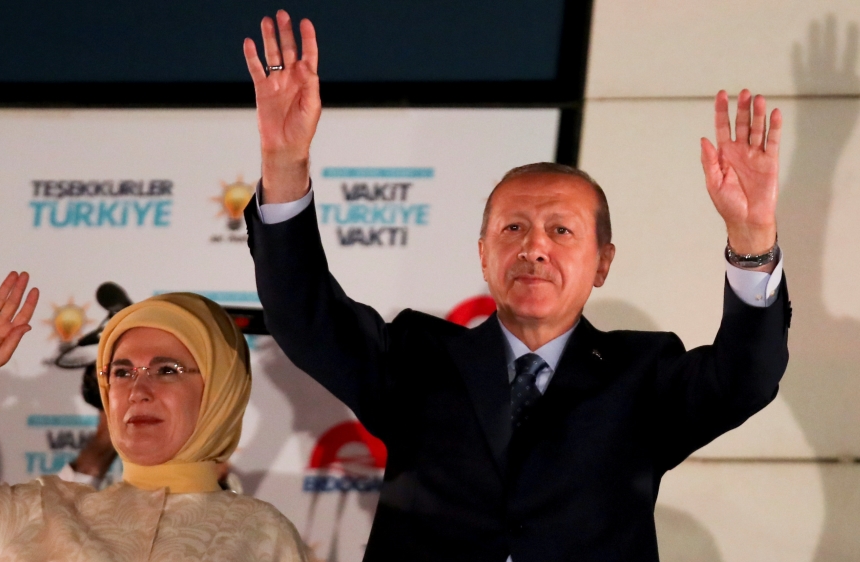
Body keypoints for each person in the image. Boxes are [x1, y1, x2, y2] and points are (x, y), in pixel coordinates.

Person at [242, 11, 790, 562]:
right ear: (484, 255)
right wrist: (285, 163)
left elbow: (747, 377)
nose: (534, 247)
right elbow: (301, 311)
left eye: (561, 230)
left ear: (602, 263)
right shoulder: (416, 359)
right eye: (513, 228)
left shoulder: (643, 375)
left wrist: (751, 235)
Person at [0, 271, 309, 561]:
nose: (138, 391)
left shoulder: (263, 536)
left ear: (220, 391)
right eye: (121, 372)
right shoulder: (41, 514)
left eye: (167, 371)